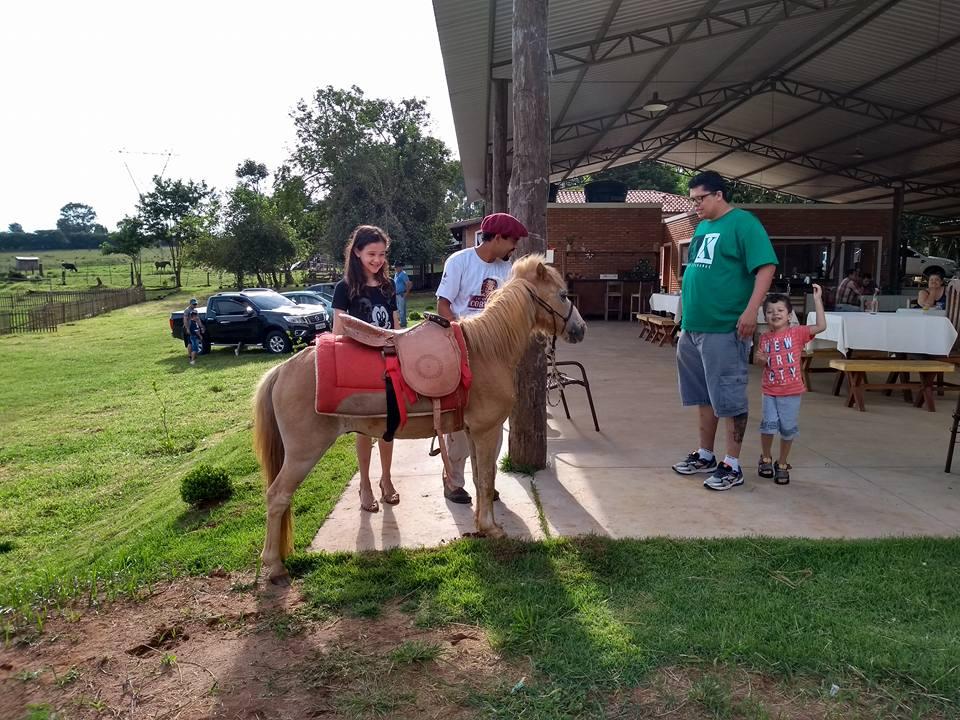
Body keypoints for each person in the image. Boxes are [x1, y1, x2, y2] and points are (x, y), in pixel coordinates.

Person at [671, 170, 778, 491]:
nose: (696, 205)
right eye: (692, 200)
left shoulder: (744, 224)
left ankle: (732, 464)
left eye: (700, 199)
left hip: (724, 326)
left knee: (729, 396)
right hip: (694, 326)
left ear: (719, 195)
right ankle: (705, 454)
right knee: (704, 395)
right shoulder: (703, 227)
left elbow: (766, 267)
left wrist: (751, 311)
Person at [436, 212, 527, 504]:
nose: (515, 246)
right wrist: (464, 336)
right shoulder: (459, 261)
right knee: (458, 420)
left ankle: (485, 483)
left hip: (494, 358)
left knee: (492, 421)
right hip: (463, 349)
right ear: (497, 238)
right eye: (512, 240)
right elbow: (443, 305)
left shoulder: (507, 270)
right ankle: (453, 481)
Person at [332, 225, 401, 514]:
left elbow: (395, 324)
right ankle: (364, 484)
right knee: (364, 428)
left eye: (382, 254)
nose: (377, 260)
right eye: (372, 253)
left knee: (388, 426)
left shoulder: (388, 286)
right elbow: (338, 331)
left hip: (388, 364)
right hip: (360, 366)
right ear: (357, 252)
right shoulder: (344, 288)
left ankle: (386, 479)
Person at [754, 285, 827, 485]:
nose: (775, 314)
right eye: (770, 311)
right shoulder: (764, 338)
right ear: (765, 317)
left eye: (780, 310)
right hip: (770, 390)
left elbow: (821, 326)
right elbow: (760, 362)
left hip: (792, 391)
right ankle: (766, 457)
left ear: (789, 315)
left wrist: (817, 300)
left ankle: (782, 462)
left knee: (787, 429)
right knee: (768, 426)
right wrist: (761, 359)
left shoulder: (798, 333)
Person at [393, 262, 412, 327]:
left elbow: (408, 284)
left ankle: (403, 322)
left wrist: (406, 293)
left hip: (401, 294)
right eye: (395, 267)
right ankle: (401, 321)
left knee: (402, 309)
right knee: (398, 309)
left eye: (397, 267)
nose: (395, 269)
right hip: (396, 294)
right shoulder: (396, 274)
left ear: (400, 267)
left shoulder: (403, 274)